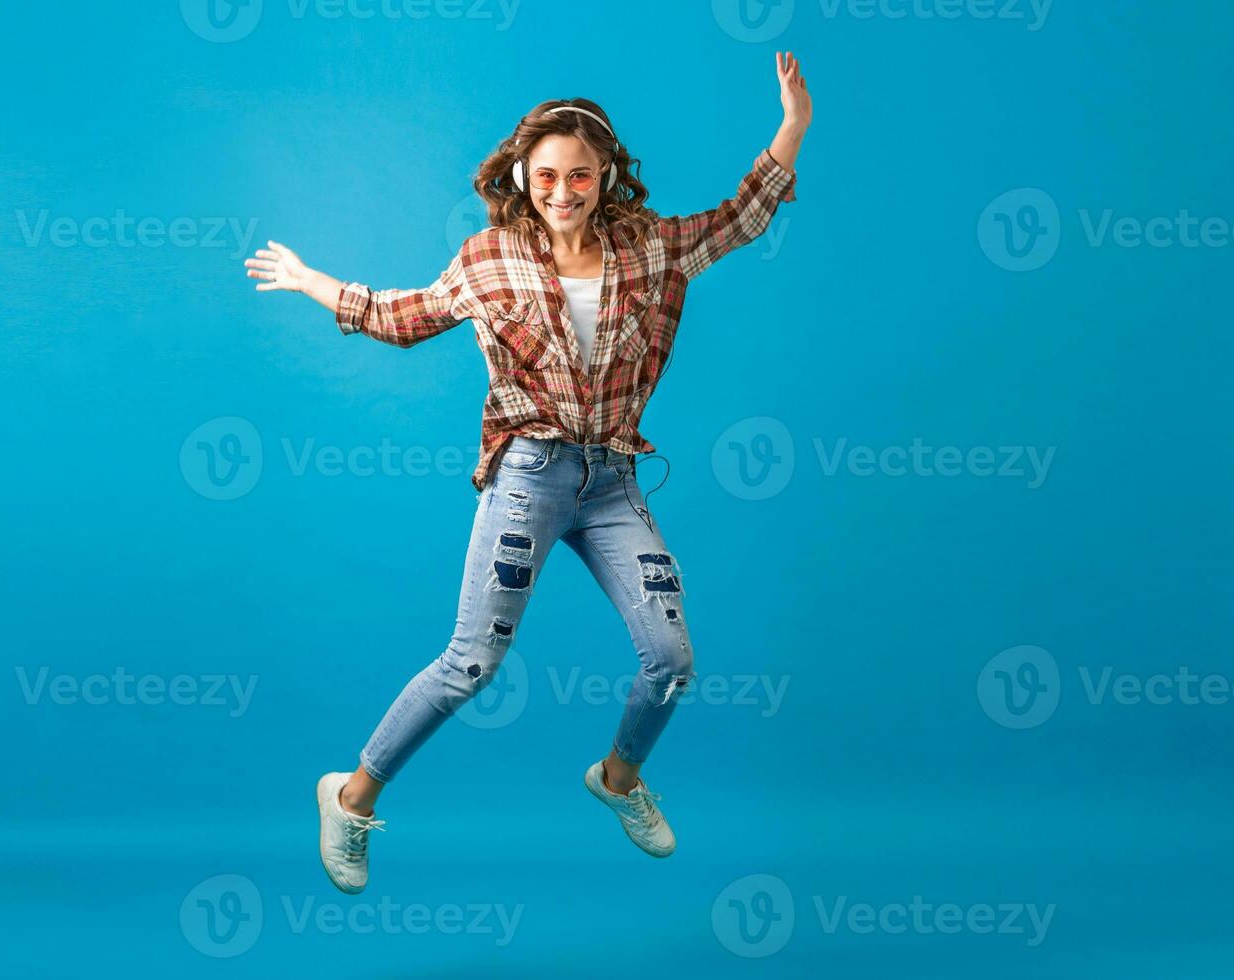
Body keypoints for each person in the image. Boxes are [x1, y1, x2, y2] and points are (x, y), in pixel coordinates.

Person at [244, 52, 811, 894]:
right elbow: (404, 318)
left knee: (672, 657)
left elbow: (740, 219)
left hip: (614, 480)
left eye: (580, 174)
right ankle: (351, 797)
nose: (562, 190)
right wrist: (310, 282)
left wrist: (793, 125)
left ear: (606, 174)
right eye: (546, 174)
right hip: (530, 474)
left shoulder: (652, 247)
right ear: (522, 173)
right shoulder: (491, 257)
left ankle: (618, 780)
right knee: (472, 662)